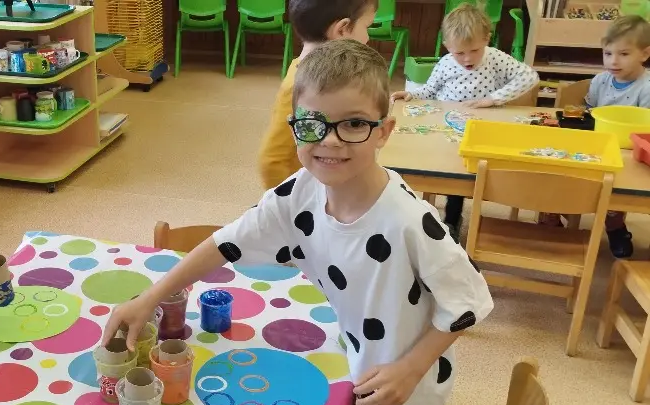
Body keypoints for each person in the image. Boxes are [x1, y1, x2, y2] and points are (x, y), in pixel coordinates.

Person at [103, 39, 494, 405]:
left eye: (354, 124)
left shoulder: (410, 221)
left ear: (383, 131)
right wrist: (150, 297)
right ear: (294, 125)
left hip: (408, 383)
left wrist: (412, 368)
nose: (330, 140)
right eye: (312, 123)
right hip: (356, 356)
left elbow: (468, 300)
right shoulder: (300, 192)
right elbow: (225, 242)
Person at [391, 3, 539, 238]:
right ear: (447, 45)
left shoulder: (494, 57)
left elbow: (530, 76)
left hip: (482, 128)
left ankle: (459, 217)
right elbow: (429, 90)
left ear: (486, 39)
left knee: (476, 170)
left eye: (475, 50)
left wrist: (494, 98)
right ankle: (449, 218)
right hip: (447, 129)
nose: (468, 58)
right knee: (448, 166)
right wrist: (411, 94)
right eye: (459, 53)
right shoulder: (445, 63)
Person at [538, 15, 650, 258]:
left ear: (645, 53)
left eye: (624, 54)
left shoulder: (646, 87)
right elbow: (589, 113)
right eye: (607, 53)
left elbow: (645, 130)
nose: (613, 61)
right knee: (558, 165)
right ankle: (551, 214)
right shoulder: (600, 81)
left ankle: (615, 223)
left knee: (617, 183)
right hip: (596, 144)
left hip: (628, 152)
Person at [257, 0, 378, 190]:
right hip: (309, 190)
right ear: (342, 29)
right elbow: (271, 160)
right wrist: (289, 201)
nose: (367, 37)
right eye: (366, 27)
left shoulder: (324, 76)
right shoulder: (299, 86)